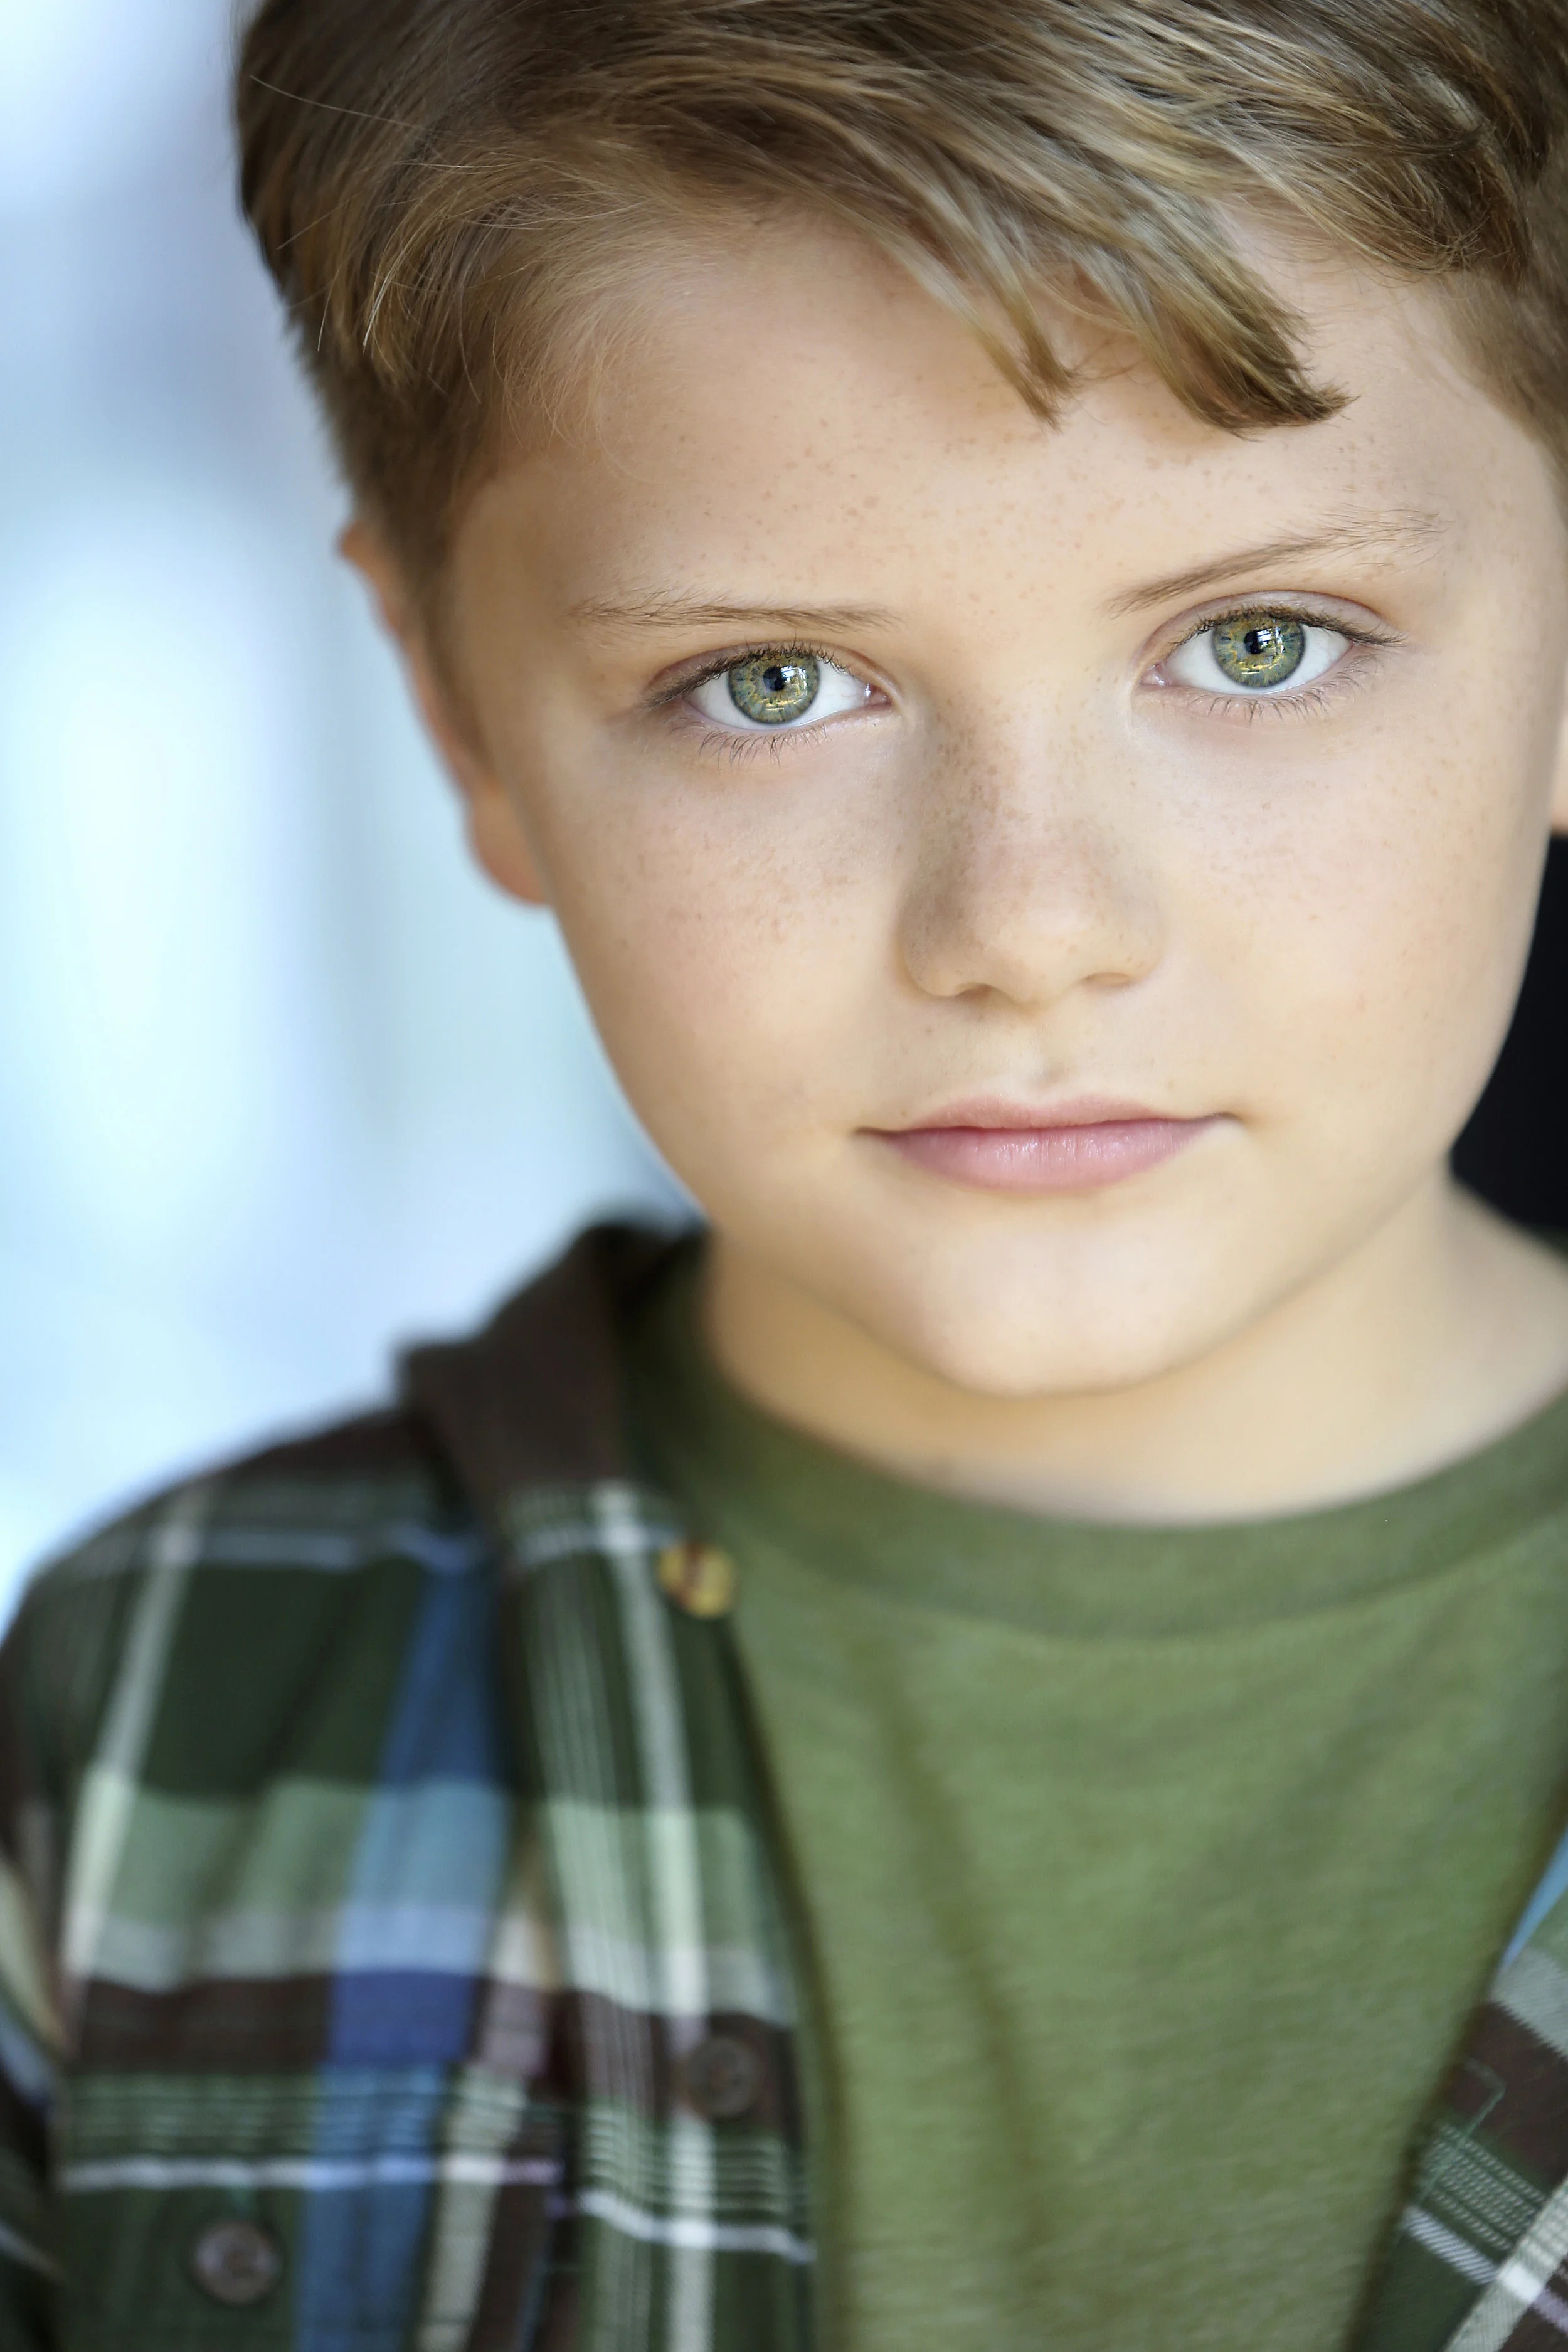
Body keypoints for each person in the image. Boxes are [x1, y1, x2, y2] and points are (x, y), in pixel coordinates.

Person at [8, 1, 1568, 2346]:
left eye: (1260, 643)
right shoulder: (148, 1725)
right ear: (455, 712)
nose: (1028, 926)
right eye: (768, 686)